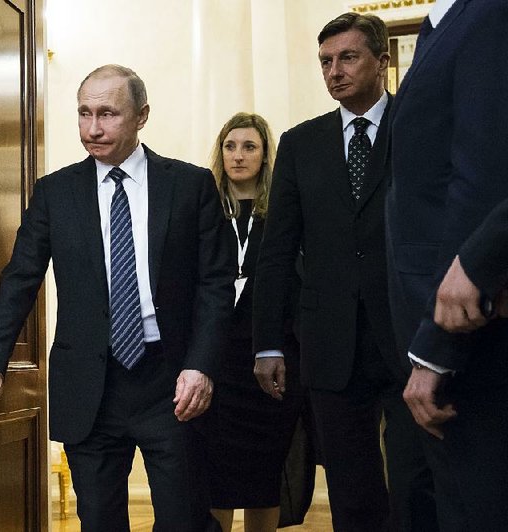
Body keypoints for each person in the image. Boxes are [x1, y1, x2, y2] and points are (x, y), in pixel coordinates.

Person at [0, 64, 236, 531]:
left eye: (107, 114)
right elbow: (19, 280)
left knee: (185, 519)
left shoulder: (189, 185)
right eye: (83, 114)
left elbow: (217, 284)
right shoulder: (56, 192)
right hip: (90, 386)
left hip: (171, 380)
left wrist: (200, 365)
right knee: (98, 520)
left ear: (141, 116)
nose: (92, 129)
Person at [253, 12, 441, 532]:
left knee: (413, 483)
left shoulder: (420, 127)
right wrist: (267, 341)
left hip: (410, 336)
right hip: (331, 341)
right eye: (325, 62)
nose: (334, 71)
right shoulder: (300, 143)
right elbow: (277, 251)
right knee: (351, 488)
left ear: (383, 61)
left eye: (347, 58)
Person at [387, 0, 508, 528]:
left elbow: (480, 181)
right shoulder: (445, 22)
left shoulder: (488, 14)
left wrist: (435, 352)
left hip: (466, 335)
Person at [194, 112, 308, 532]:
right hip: (217, 362)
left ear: (265, 155)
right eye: (230, 146)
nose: (238, 156)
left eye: (249, 147)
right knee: (216, 475)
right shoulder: (203, 208)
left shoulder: (282, 211)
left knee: (265, 471)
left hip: (270, 359)